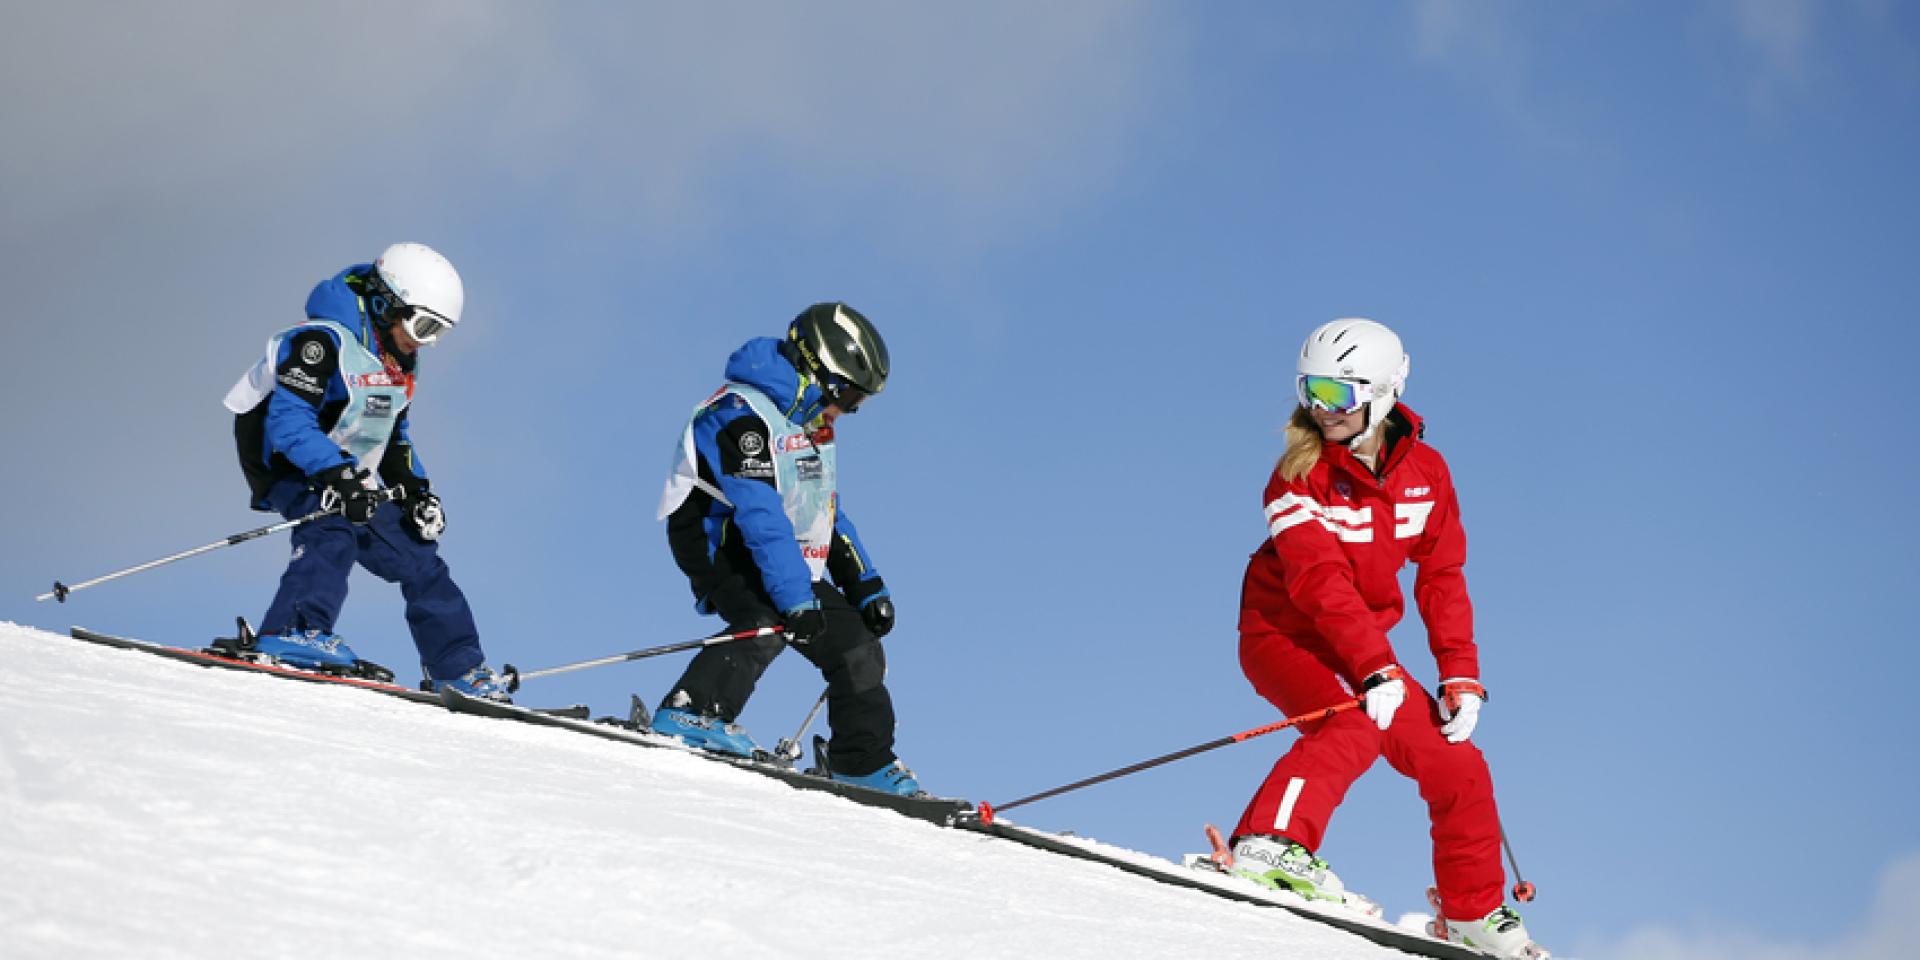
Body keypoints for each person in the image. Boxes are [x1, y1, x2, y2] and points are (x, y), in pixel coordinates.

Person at [1227, 318, 1548, 959]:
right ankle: (1270, 842)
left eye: (1338, 394)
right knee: (1349, 727)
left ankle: (1472, 912)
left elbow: (1442, 576)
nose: (1322, 409)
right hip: (1284, 635)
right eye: (1310, 389)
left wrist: (1459, 673)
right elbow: (1318, 580)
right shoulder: (1298, 473)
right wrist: (1374, 667)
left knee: (1457, 763)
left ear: (1383, 394)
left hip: (1363, 649)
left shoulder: (1427, 475)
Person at [221, 242, 511, 701]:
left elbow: (393, 437)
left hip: (344, 470)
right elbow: (288, 421)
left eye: (440, 332)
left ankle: (458, 669)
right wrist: (338, 477)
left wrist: (417, 493)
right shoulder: (320, 342)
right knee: (332, 525)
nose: (427, 340)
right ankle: (294, 631)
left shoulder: (397, 363)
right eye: (424, 325)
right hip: (285, 460)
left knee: (420, 558)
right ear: (386, 302)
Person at [653, 302, 919, 796]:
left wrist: (864, 584)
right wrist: (797, 599)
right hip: (719, 538)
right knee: (768, 620)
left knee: (858, 646)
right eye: (851, 394)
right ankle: (691, 711)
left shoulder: (811, 423)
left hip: (785, 554)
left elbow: (823, 508)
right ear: (817, 370)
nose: (851, 408)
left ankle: (860, 760)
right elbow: (760, 515)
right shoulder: (739, 416)